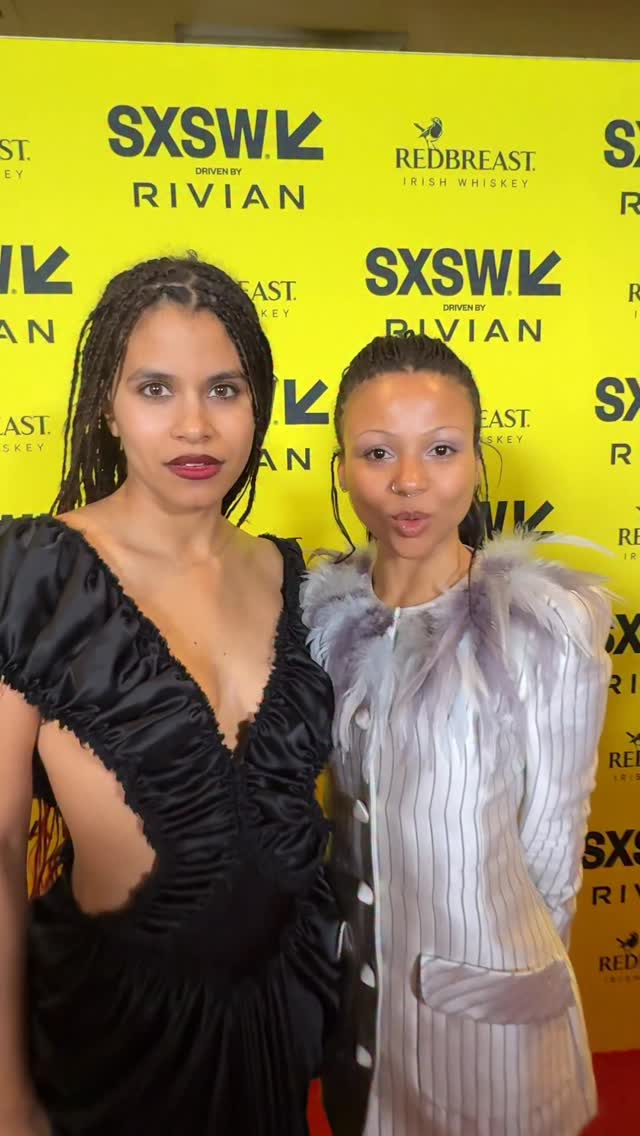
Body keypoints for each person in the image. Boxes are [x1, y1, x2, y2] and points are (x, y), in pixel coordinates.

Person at [0, 255, 340, 1136]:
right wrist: (6, 1101)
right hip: (107, 1043)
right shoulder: (30, 577)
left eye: (224, 390)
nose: (195, 425)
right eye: (155, 389)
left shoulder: (303, 580)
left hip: (274, 1029)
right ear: (105, 408)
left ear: (258, 405)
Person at [301, 332, 611, 1136]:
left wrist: (509, 983)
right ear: (342, 468)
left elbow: (553, 850)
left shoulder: (543, 629)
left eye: (440, 449)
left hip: (490, 1032)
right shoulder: (321, 622)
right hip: (357, 1022)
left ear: (476, 461)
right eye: (377, 452)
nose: (409, 481)